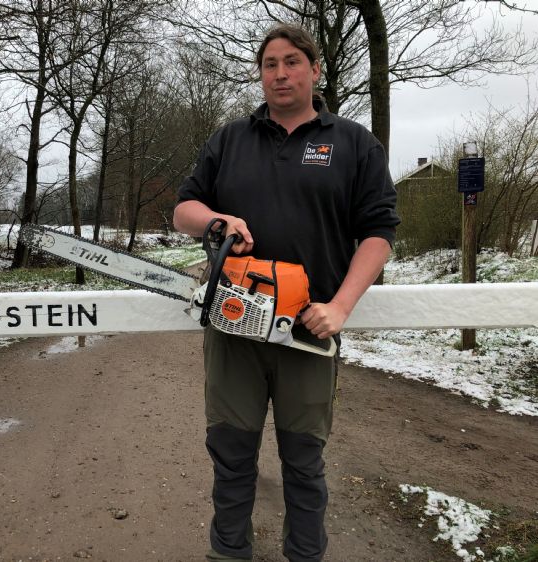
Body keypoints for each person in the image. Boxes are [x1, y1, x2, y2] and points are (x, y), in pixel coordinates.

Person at [172, 23, 400, 562]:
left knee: (303, 460)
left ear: (314, 70)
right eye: (270, 63)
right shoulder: (230, 139)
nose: (280, 73)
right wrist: (215, 221)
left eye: (292, 61)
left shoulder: (353, 144)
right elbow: (184, 207)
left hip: (308, 329)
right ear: (260, 73)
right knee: (230, 454)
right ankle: (228, 554)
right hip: (233, 324)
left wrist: (340, 306)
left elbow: (378, 232)